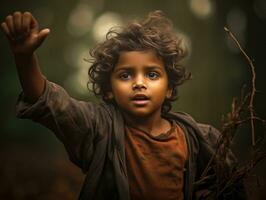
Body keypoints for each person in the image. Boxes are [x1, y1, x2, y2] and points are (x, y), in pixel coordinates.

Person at [1, 10, 245, 200]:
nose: (139, 83)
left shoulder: (199, 139)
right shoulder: (99, 129)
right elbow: (53, 104)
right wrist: (24, 58)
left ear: (169, 87)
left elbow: (229, 187)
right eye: (126, 75)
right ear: (108, 90)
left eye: (152, 74)